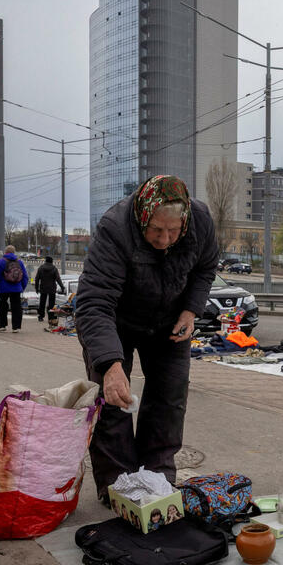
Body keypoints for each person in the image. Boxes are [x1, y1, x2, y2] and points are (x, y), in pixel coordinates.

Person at [76, 175, 218, 500]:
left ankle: (157, 482)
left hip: (170, 322)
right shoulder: (115, 228)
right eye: (156, 230)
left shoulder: (201, 222)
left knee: (169, 399)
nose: (165, 239)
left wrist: (191, 311)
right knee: (113, 401)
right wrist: (110, 363)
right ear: (143, 215)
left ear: (185, 220)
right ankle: (118, 487)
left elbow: (205, 268)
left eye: (173, 230)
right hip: (116, 323)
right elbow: (93, 302)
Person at [0, 245, 29, 333]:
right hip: (16, 288)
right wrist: (22, 287)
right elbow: (25, 276)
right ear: (14, 252)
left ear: (5, 252)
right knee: (16, 306)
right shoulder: (20, 262)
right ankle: (16, 327)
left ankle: (2, 325)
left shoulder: (1, 261)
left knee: (3, 305)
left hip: (4, 288)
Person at [34, 256, 65, 322]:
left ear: (45, 261)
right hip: (52, 288)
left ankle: (41, 316)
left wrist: (36, 288)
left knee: (42, 303)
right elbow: (58, 279)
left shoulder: (41, 268)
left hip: (43, 288)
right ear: (52, 261)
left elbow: (37, 279)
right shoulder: (54, 269)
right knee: (52, 303)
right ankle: (51, 317)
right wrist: (62, 287)